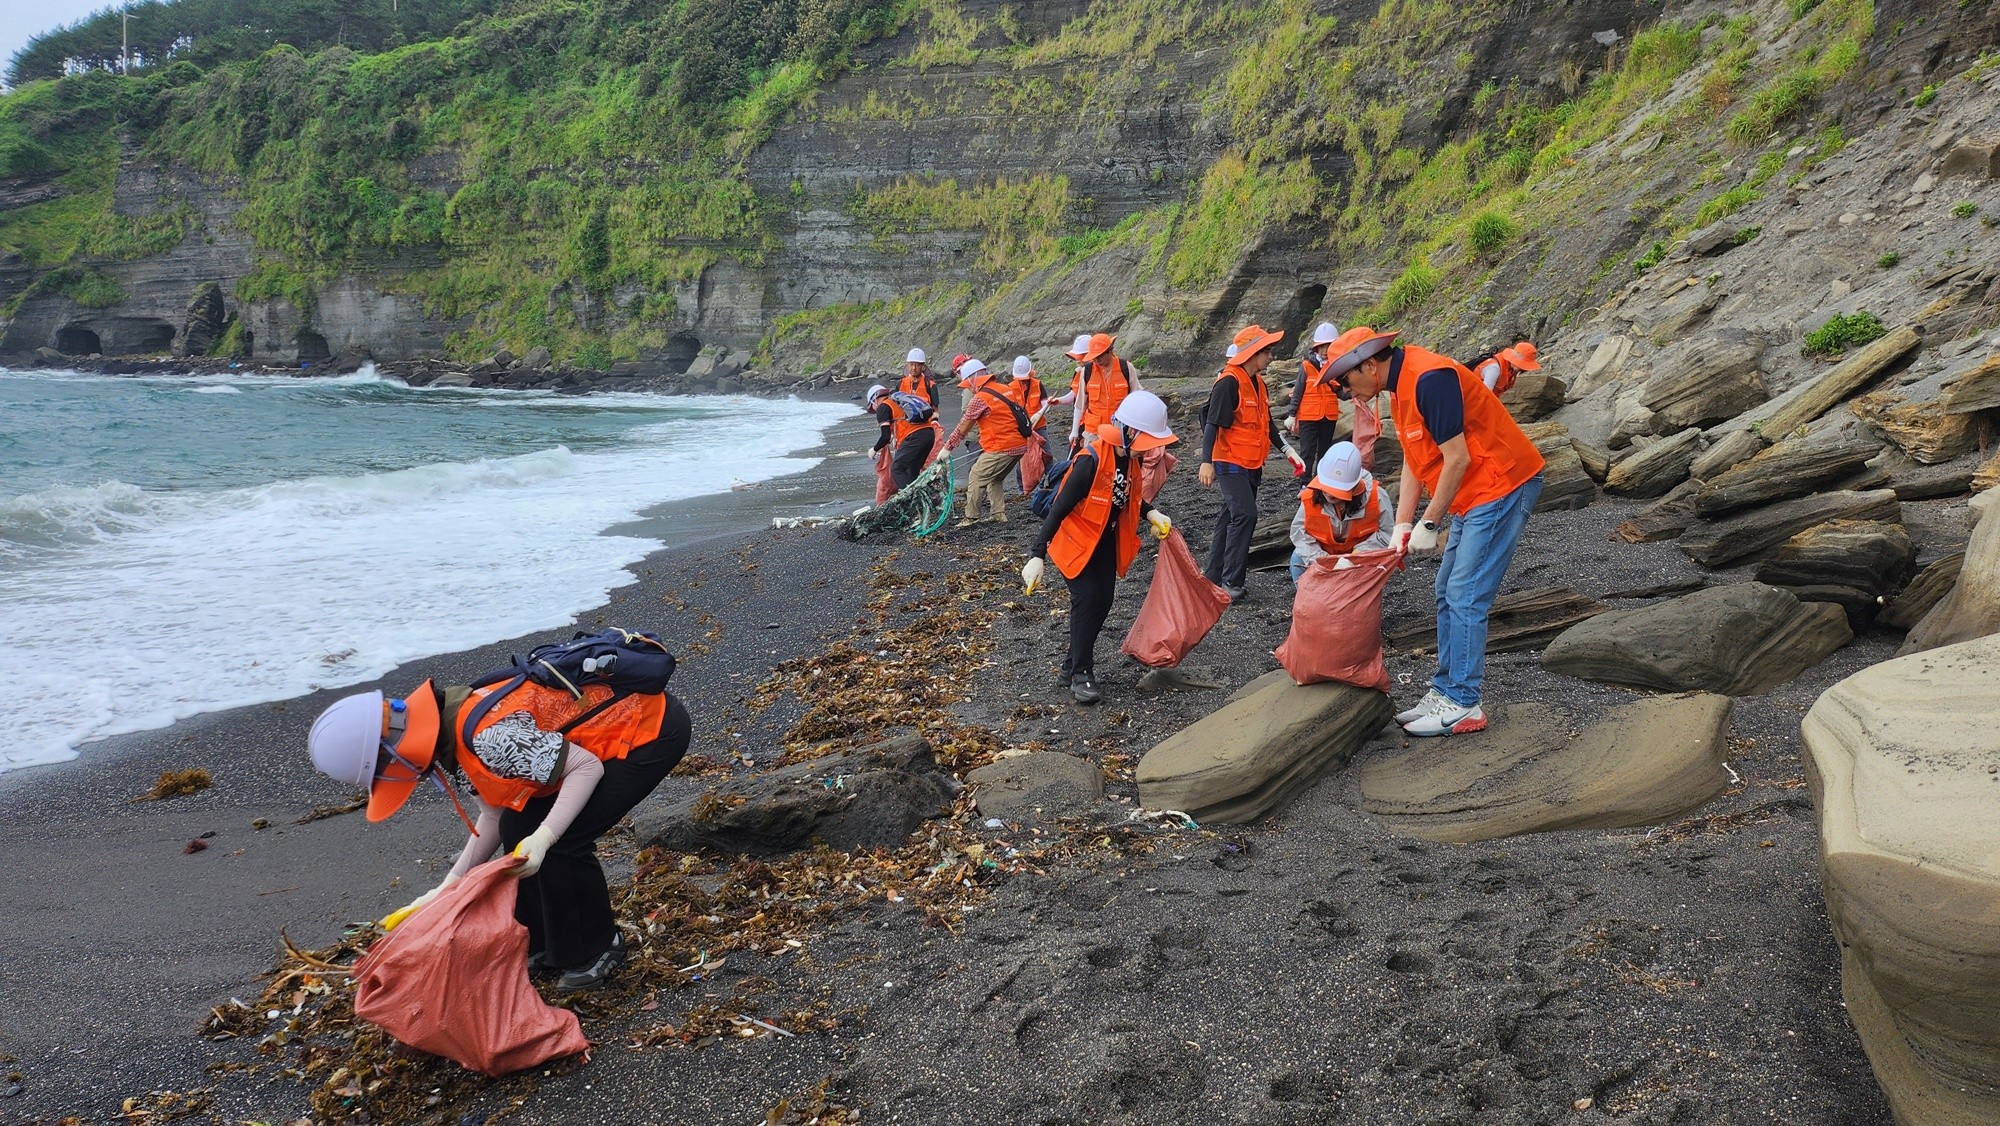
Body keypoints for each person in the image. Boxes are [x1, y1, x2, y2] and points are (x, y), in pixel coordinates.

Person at [305, 674, 691, 992]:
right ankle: (545, 944)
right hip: (598, 743)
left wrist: (545, 838)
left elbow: (585, 768)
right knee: (516, 827)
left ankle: (599, 947)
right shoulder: (446, 728)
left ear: (393, 751)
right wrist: (447, 887)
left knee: (563, 842)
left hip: (651, 728)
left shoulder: (486, 738)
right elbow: (494, 817)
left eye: (384, 772)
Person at [1323, 327, 1546, 738]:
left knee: (1466, 592)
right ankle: (1445, 690)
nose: (1344, 388)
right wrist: (1404, 523)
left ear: (1369, 364)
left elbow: (1457, 458)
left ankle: (1463, 703)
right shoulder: (1397, 386)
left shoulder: (1430, 379)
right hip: (1474, 492)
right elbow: (1415, 458)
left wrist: (1431, 522)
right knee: (1446, 589)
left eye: (1344, 379)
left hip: (1502, 483)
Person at [1021, 390, 1177, 705]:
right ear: (1128, 432)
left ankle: (1069, 667)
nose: (1149, 452)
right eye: (1145, 441)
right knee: (1086, 599)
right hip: (1074, 543)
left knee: (1103, 601)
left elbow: (1130, 497)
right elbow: (1059, 509)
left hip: (1105, 542)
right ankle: (1082, 672)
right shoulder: (1090, 460)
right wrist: (1037, 555)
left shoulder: (1129, 459)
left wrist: (1151, 513)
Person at [1198, 324, 1306, 601]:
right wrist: (1206, 461)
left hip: (1251, 463)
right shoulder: (1228, 382)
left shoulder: (1257, 383)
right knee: (1245, 514)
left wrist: (1288, 452)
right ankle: (1231, 582)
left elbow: (1266, 425)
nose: (1271, 356)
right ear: (1252, 353)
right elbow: (1212, 424)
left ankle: (1212, 575)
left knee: (1230, 516)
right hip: (1229, 461)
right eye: (1267, 351)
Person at [942, 358, 1035, 525]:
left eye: (968, 384)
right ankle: (998, 513)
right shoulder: (1005, 389)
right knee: (995, 478)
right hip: (1019, 445)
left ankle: (971, 517)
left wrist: (947, 448)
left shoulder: (980, 398)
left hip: (1001, 447)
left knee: (976, 476)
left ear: (974, 378)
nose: (968, 388)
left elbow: (964, 426)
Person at [1289, 441, 1391, 580]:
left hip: (1362, 556)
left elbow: (1387, 534)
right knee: (1297, 559)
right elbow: (1299, 534)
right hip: (1323, 553)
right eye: (1328, 487)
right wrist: (1325, 561)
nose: (1330, 494)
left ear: (1354, 487)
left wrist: (1357, 556)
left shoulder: (1376, 497)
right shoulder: (1310, 497)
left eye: (1338, 490)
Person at [1284, 322, 1344, 478]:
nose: (1325, 350)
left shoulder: (1337, 366)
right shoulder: (1306, 366)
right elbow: (1298, 391)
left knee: (1325, 451)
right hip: (1308, 416)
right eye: (1322, 346)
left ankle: (1320, 481)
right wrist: (1292, 414)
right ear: (1316, 348)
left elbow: (1342, 391)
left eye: (1329, 346)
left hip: (1328, 416)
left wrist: (1359, 393)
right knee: (1307, 452)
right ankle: (1304, 483)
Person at [1066, 332, 1139, 447]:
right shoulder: (1087, 371)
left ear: (1110, 351)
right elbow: (1080, 404)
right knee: (1094, 463)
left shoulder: (1126, 368)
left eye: (1100, 356)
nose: (1097, 360)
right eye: (1094, 357)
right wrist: (1074, 431)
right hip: (1094, 433)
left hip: (1120, 431)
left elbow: (1137, 398)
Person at [868, 383, 942, 492]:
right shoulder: (898, 401)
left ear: (875, 399)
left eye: (872, 407)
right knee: (911, 470)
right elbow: (898, 424)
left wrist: (874, 449)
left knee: (896, 468)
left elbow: (885, 436)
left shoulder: (883, 407)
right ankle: (920, 496)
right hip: (929, 434)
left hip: (915, 436)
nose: (874, 410)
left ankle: (909, 497)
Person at [1472, 340, 1539, 394]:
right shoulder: (1494, 369)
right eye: (1523, 364)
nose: (1523, 367)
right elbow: (1484, 395)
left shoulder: (1511, 369)